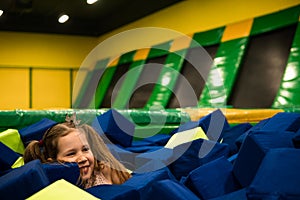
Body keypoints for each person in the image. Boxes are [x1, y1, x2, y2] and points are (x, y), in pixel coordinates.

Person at [23, 114, 132, 189]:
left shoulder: (103, 170)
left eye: (85, 150)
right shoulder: (54, 185)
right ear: (53, 162)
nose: (83, 158)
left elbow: (129, 188)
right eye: (71, 154)